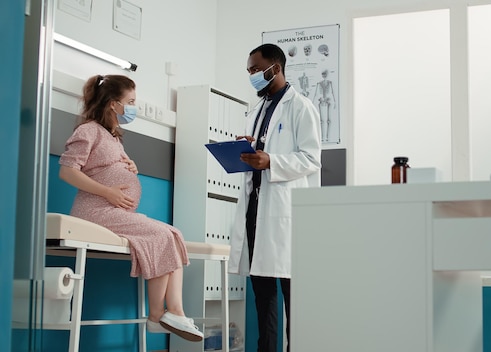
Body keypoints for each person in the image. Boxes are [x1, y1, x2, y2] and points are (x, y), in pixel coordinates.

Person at [58, 74, 204, 342]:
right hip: (96, 211)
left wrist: (130, 167)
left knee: (173, 235)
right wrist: (109, 192)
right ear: (114, 104)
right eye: (131, 101)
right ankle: (158, 315)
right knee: (162, 236)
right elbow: (67, 172)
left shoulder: (112, 136)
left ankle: (176, 312)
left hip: (116, 212)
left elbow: (106, 166)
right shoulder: (88, 130)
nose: (134, 107)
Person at [229, 44, 322, 352]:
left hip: (286, 215)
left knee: (294, 299)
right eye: (249, 71)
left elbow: (311, 159)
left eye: (256, 69)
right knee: (263, 300)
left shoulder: (300, 106)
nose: (252, 76)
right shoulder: (257, 108)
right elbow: (263, 148)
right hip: (256, 211)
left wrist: (272, 161)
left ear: (276, 68)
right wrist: (249, 148)